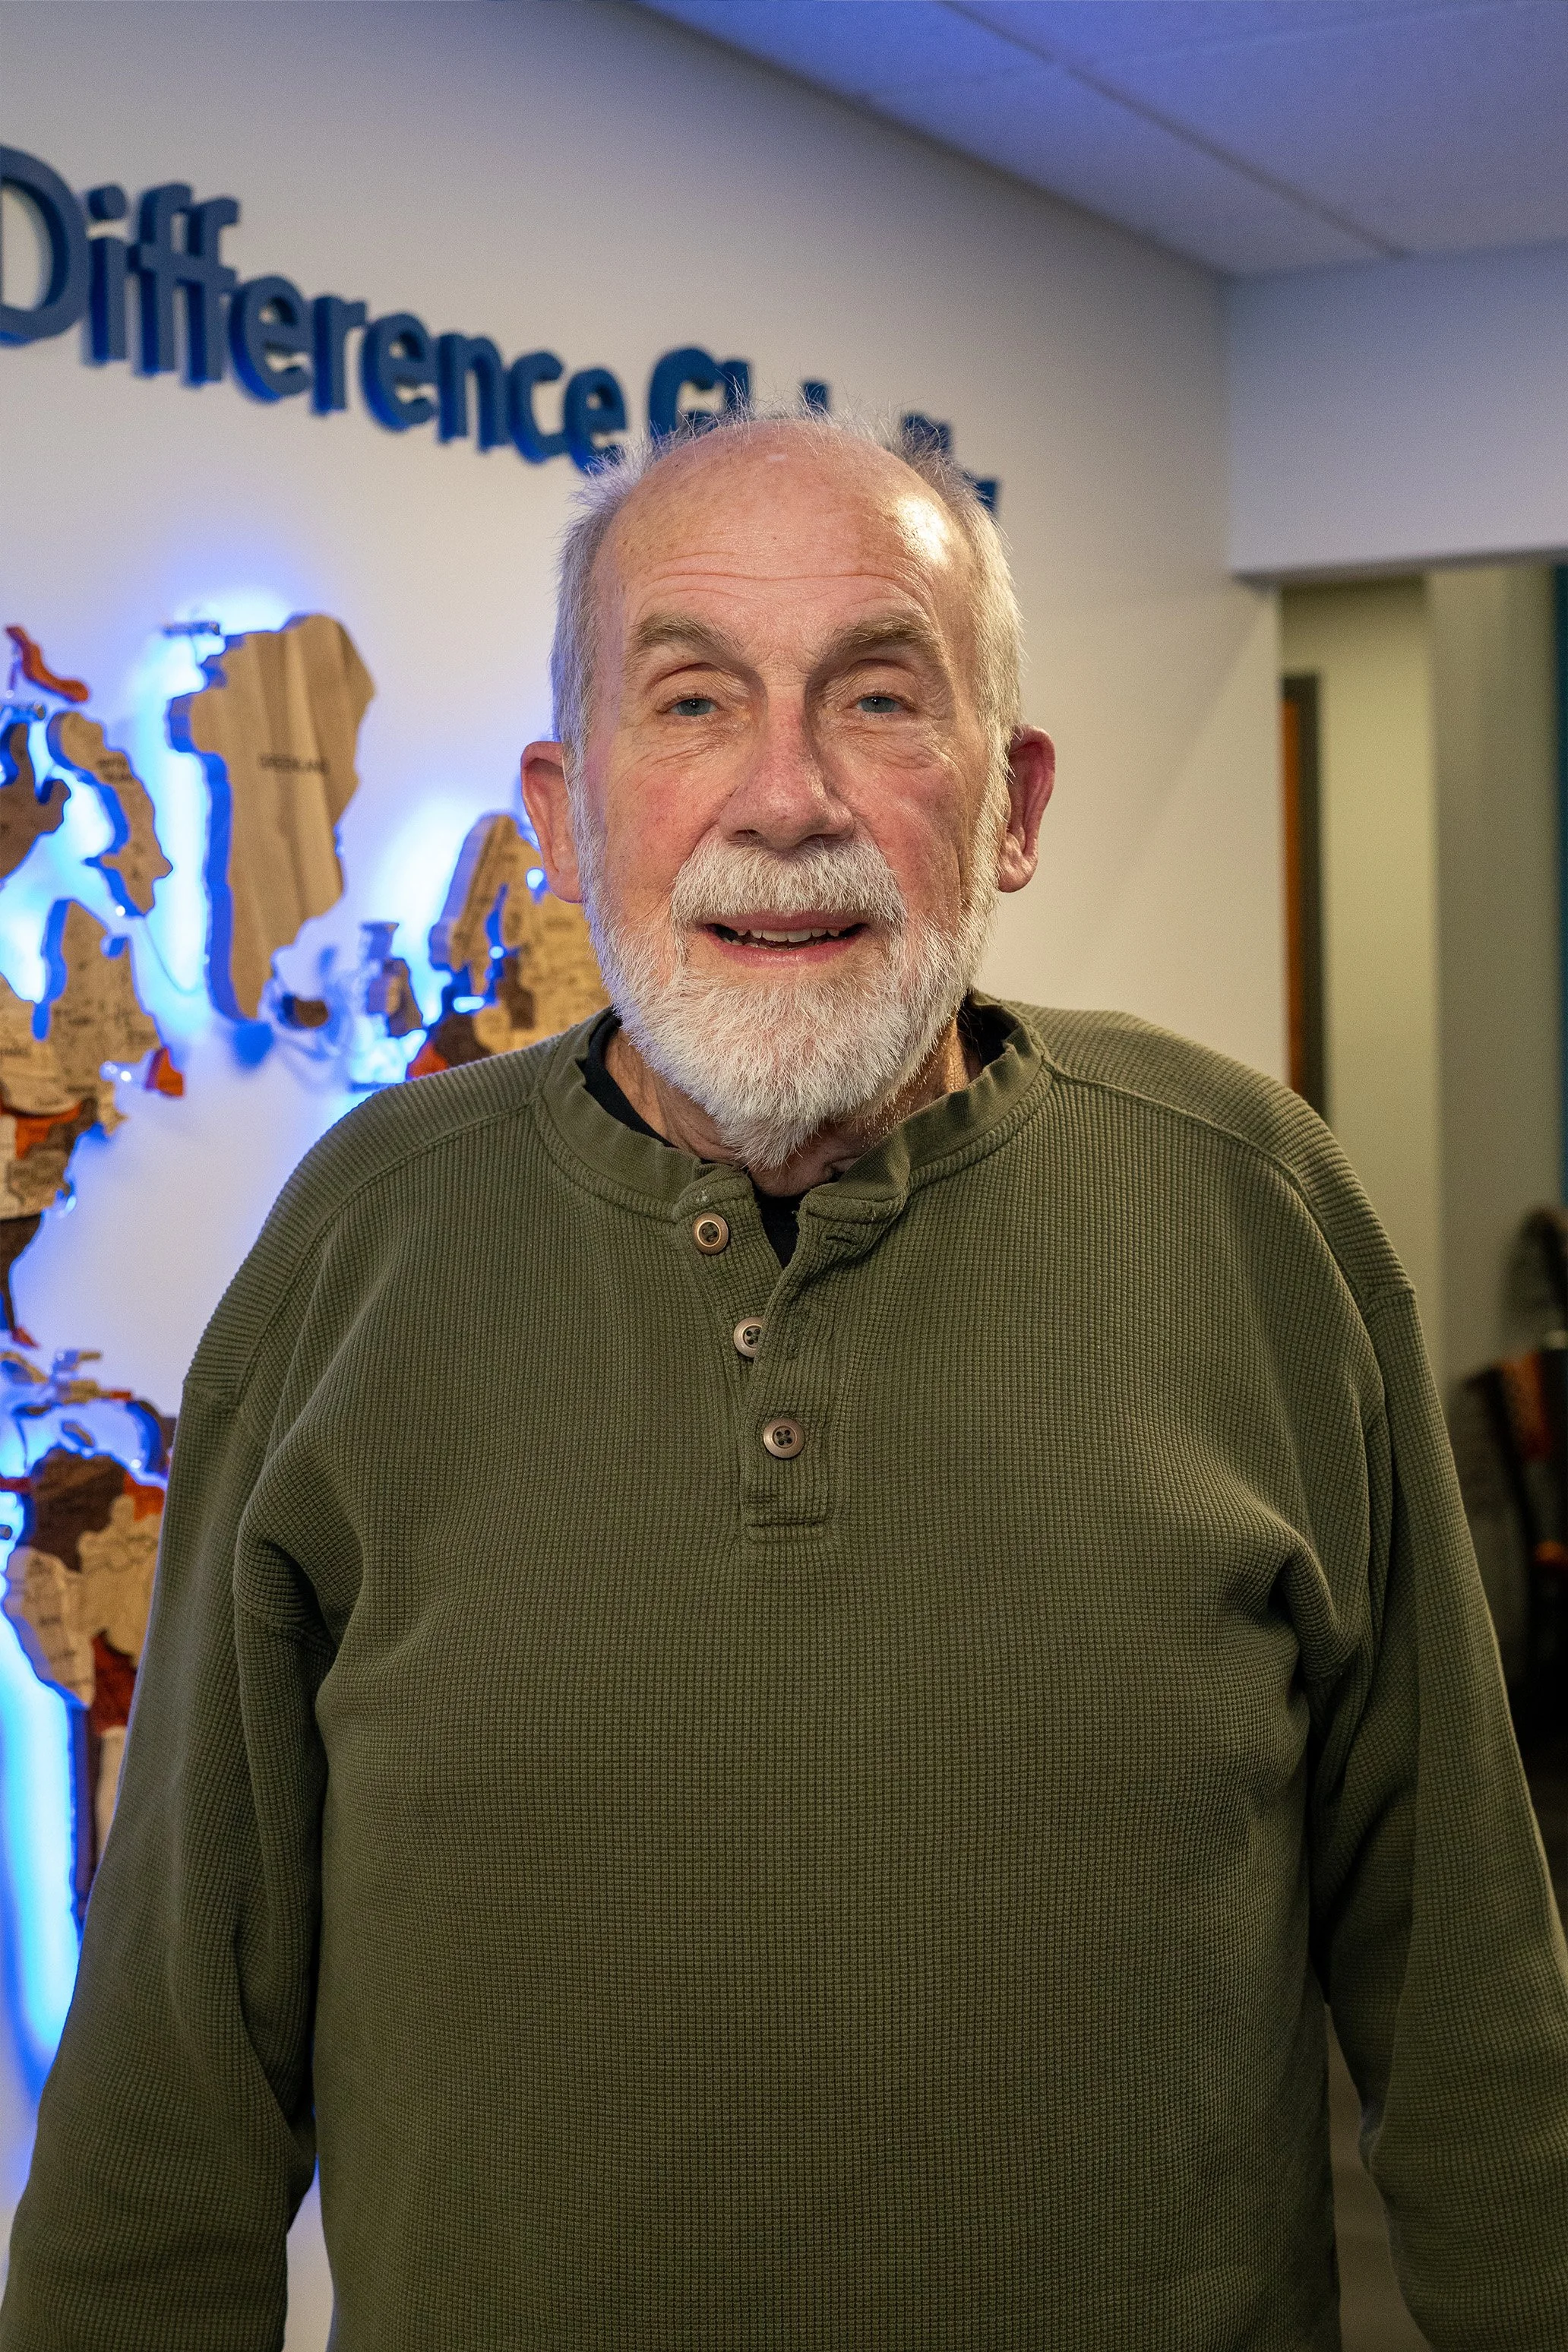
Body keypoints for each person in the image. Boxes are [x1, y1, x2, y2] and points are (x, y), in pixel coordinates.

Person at [4, 408, 1566, 2351]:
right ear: (569, 807)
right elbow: (172, 2086)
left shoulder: (1254, 1212)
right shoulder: (361, 1251)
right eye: (691, 702)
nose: (786, 797)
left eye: (883, 699)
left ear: (1013, 802)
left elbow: (1480, 2018)